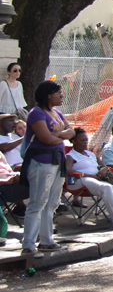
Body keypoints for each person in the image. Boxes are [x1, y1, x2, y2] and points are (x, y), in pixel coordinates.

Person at [21, 80, 75, 258]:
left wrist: (57, 134)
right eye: (58, 92)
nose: (61, 95)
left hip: (57, 162)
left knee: (52, 203)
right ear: (47, 95)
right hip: (41, 162)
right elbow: (46, 139)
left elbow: (72, 132)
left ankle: (47, 240)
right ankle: (28, 244)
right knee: (38, 203)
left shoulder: (57, 113)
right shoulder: (36, 113)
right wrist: (61, 135)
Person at [65, 128, 113, 229]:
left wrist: (103, 170)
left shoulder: (91, 154)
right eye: (82, 140)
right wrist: (88, 175)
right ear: (73, 141)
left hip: (96, 180)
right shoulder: (70, 155)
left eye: (86, 140)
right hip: (79, 180)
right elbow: (67, 170)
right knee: (106, 187)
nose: (85, 143)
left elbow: (104, 166)